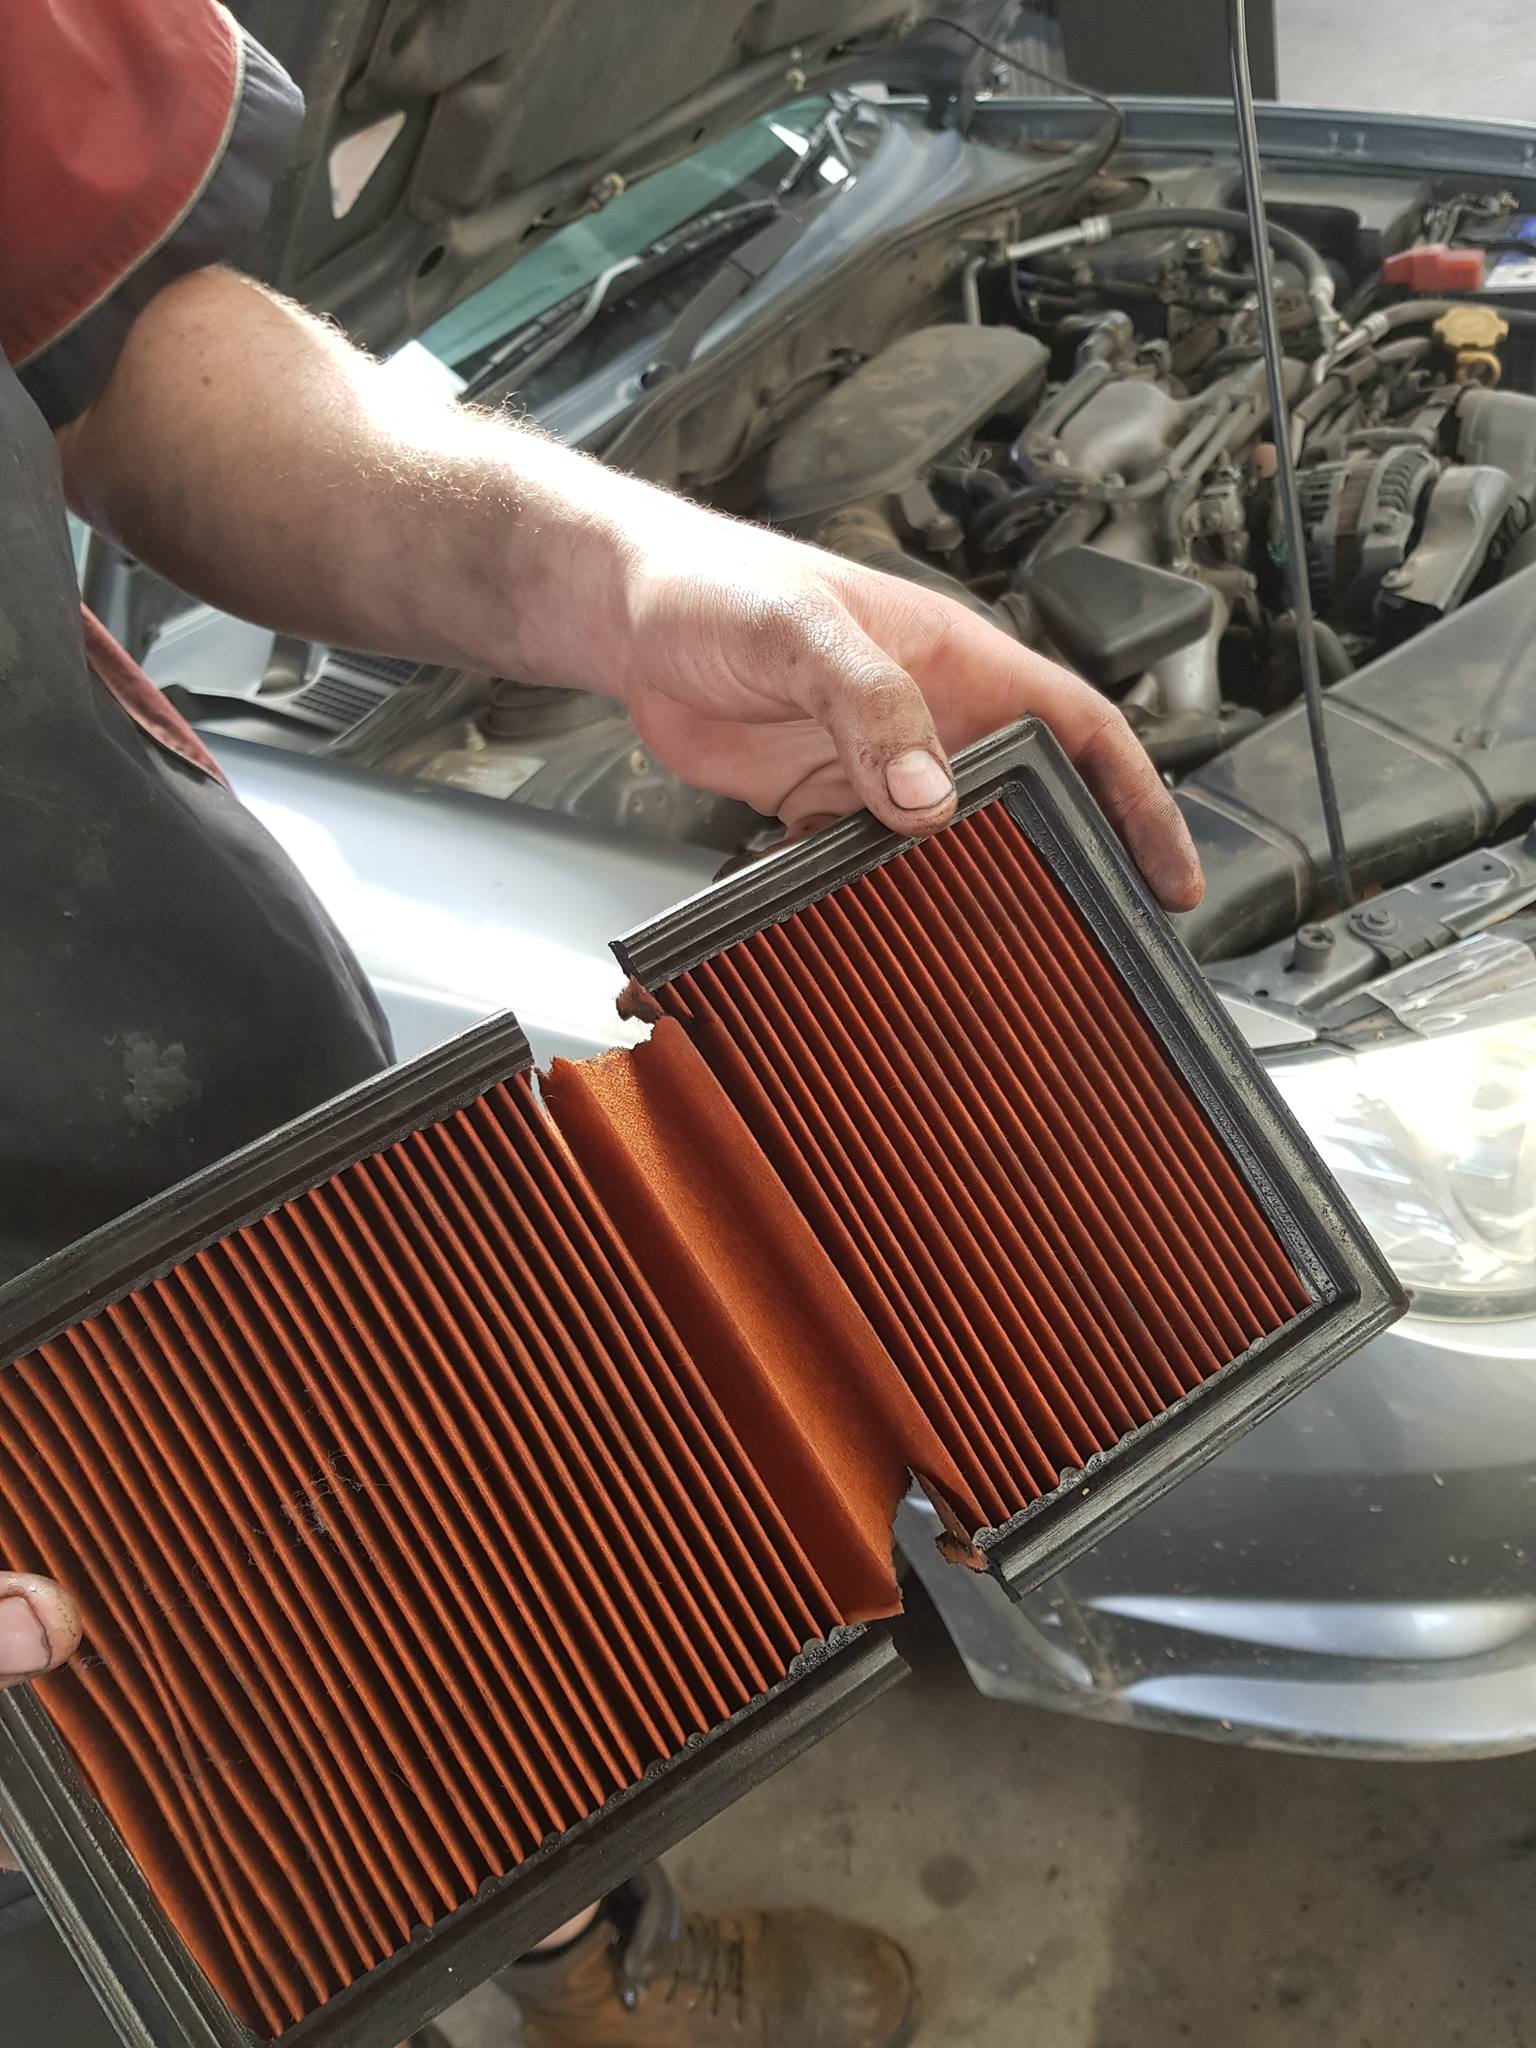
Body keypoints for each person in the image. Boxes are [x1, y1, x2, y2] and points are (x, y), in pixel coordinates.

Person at [0, 6, 1202, 2045]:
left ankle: (574, 1953)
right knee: (191, 1903)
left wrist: (623, 570)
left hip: (232, 1134)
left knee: (481, 1616)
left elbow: (112, 345)